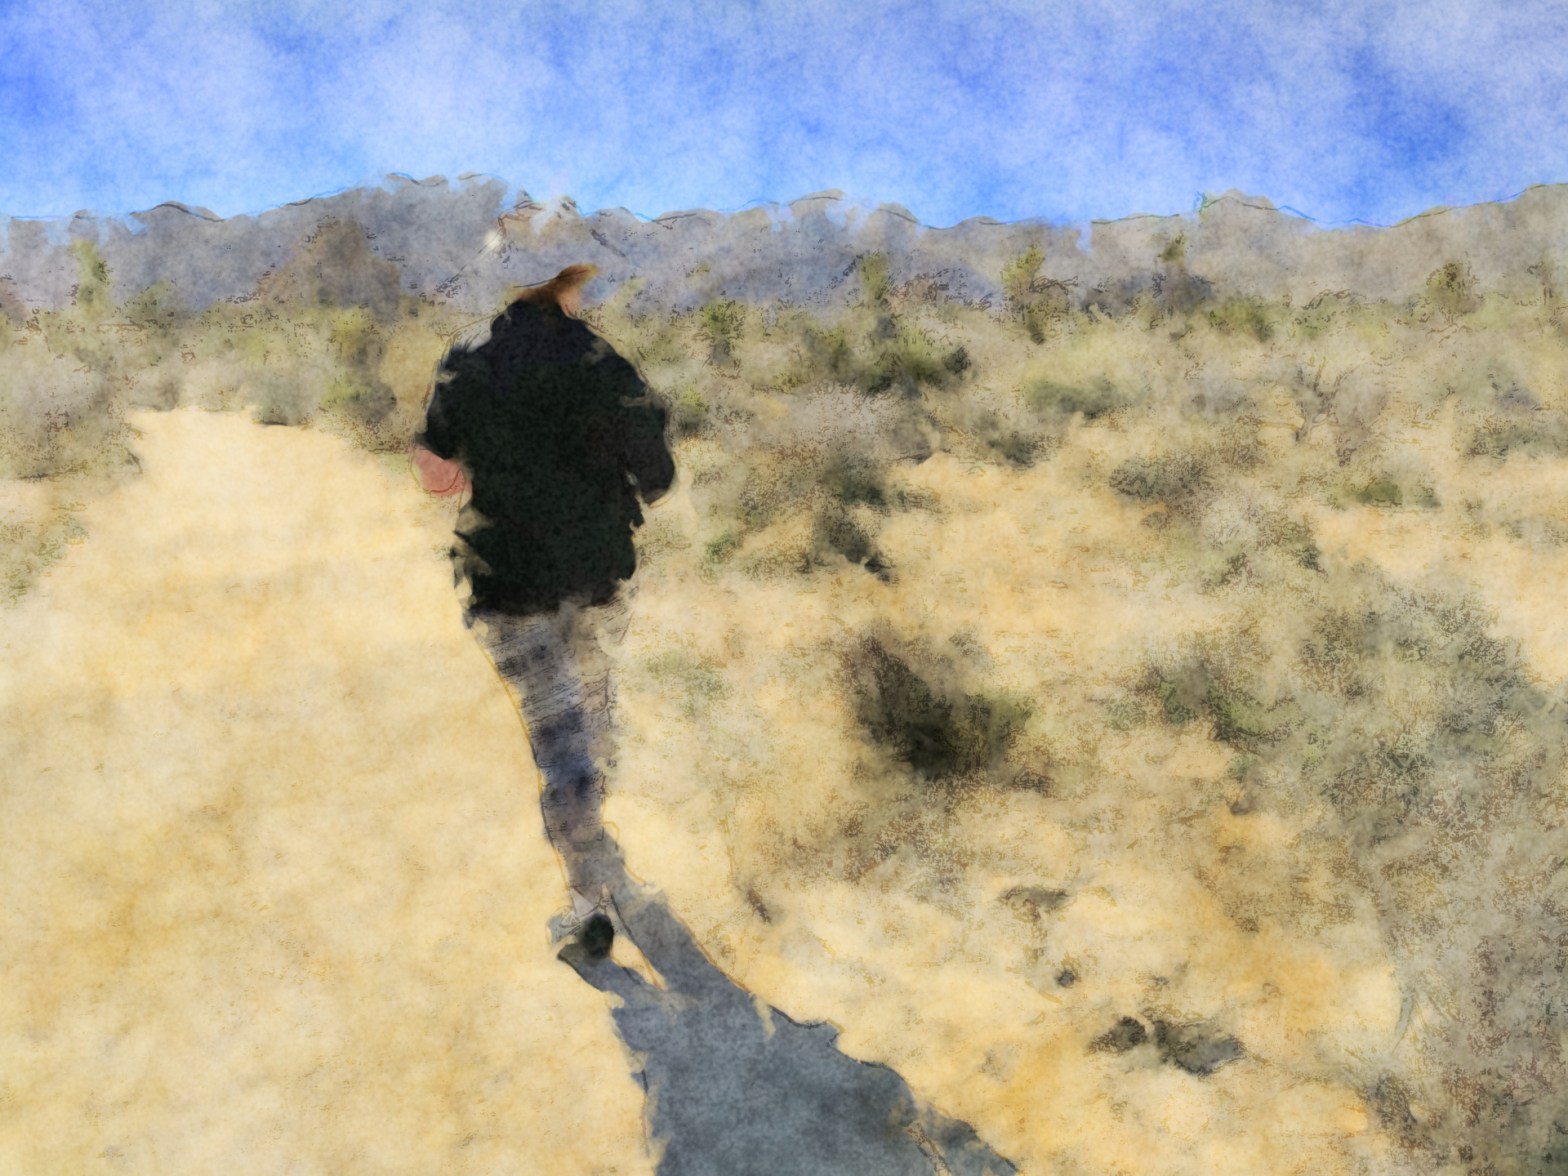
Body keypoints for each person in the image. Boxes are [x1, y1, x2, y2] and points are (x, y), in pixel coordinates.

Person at [411, 263, 674, 931]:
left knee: (559, 738)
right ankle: (594, 859)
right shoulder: (603, 361)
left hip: (507, 581)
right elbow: (658, 478)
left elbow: (435, 474)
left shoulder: (468, 357)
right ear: (569, 283)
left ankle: (587, 901)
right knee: (593, 716)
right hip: (595, 575)